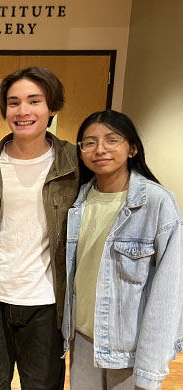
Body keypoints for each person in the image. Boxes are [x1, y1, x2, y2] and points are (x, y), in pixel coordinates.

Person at [62, 110, 183, 390]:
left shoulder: (157, 203)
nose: (100, 149)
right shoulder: (79, 200)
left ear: (132, 148)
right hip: (83, 339)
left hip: (129, 347)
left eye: (112, 140)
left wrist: (150, 366)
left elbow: (169, 293)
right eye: (89, 142)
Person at [0, 66, 79, 390]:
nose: (23, 111)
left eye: (34, 101)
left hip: (46, 301)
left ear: (52, 108)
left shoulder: (74, 164)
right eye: (14, 102)